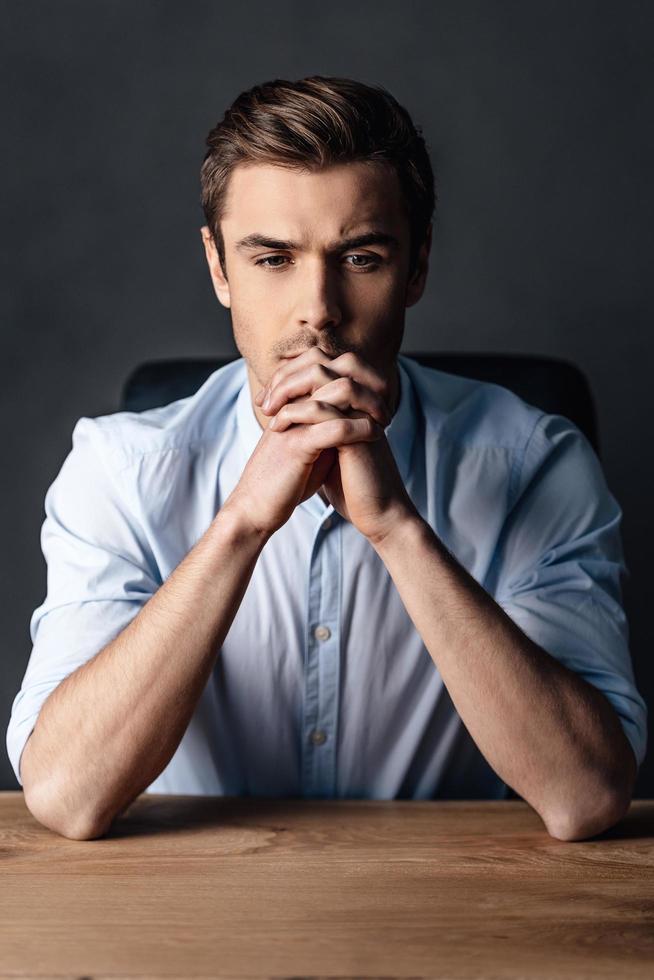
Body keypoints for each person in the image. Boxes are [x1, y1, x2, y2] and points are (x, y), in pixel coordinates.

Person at [7, 76, 647, 842]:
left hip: (446, 910)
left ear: (416, 268)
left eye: (362, 257)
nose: (318, 308)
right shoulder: (117, 468)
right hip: (183, 918)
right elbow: (65, 794)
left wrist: (397, 529)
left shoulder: (536, 461)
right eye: (273, 259)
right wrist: (241, 523)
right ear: (219, 269)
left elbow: (588, 797)